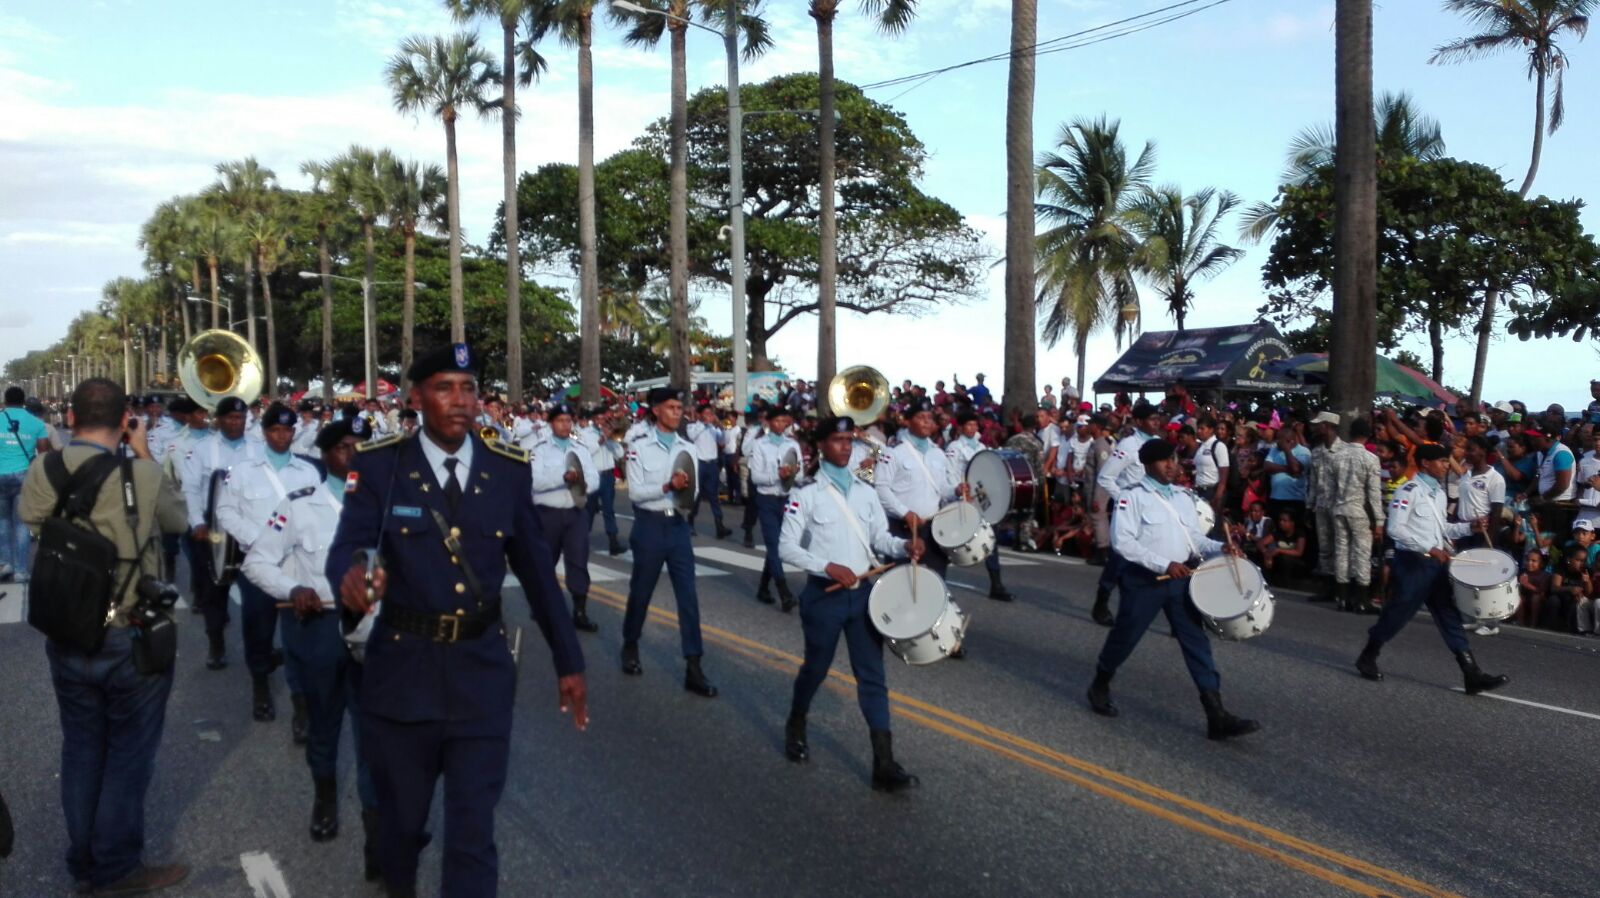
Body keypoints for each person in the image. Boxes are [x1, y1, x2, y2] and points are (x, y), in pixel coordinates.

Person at [328, 343, 587, 898]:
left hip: (480, 675)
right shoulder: (379, 465)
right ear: (416, 397)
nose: (460, 400)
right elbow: (350, 545)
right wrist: (353, 577)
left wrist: (569, 661)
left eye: (468, 388)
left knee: (472, 835)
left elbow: (540, 577)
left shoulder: (506, 470)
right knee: (401, 828)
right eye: (445, 388)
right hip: (402, 674)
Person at [19, 378, 190, 895]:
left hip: (68, 628)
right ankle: (117, 867)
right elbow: (178, 520)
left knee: (81, 746)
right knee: (128, 753)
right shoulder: (141, 472)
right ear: (123, 421)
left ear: (69, 418)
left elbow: (31, 520)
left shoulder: (43, 468)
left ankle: (84, 860)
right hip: (127, 630)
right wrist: (142, 453)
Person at [241, 418, 383, 875]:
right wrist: (290, 589)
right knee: (324, 725)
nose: (354, 455)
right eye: (344, 447)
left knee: (376, 737)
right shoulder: (299, 504)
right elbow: (257, 561)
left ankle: (377, 836)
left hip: (377, 635)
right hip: (319, 628)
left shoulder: (391, 507)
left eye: (363, 447)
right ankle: (324, 797)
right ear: (325, 455)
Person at [779, 416, 925, 791]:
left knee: (872, 676)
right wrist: (826, 565)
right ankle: (797, 721)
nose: (847, 446)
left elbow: (880, 539)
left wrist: (904, 546)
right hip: (823, 597)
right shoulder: (805, 492)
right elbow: (786, 547)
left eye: (850, 440)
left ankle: (884, 763)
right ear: (822, 446)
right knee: (816, 668)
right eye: (838, 440)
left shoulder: (865, 491)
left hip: (862, 596)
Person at [1085, 438, 1260, 741]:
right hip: (1145, 580)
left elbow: (1194, 539)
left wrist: (1222, 548)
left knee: (1196, 642)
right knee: (1125, 636)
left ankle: (1215, 714)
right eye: (1164, 460)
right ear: (1148, 465)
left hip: (1180, 580)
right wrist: (1163, 564)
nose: (1172, 465)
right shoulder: (1132, 497)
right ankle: (1100, 681)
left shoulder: (1183, 497)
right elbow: (1123, 542)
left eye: (1174, 459)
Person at [1355, 442, 1509, 694]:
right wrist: (1429, 547)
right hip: (1413, 563)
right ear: (1426, 463)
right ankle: (1368, 655)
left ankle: (1471, 673)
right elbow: (1396, 529)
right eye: (1442, 461)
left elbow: (1443, 530)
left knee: (1449, 615)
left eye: (1447, 461)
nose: (1447, 465)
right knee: (1398, 612)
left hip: (1435, 564)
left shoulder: (1438, 492)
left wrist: (1469, 527)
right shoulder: (1408, 491)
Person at [217, 402, 321, 730]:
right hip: (259, 564)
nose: (282, 436)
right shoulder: (245, 470)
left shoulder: (308, 472)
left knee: (299, 634)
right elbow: (226, 511)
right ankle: (260, 684)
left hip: (297, 566)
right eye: (275, 430)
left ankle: (301, 703)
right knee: (258, 629)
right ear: (264, 433)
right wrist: (257, 538)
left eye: (288, 430)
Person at [619, 387, 718, 696]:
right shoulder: (638, 446)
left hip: (677, 527)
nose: (678, 412)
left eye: (680, 407)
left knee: (688, 598)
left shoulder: (686, 447)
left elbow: (694, 492)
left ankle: (694, 665)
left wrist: (684, 491)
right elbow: (635, 492)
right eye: (672, 407)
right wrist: (667, 485)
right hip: (649, 525)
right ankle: (631, 644)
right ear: (656, 410)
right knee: (641, 592)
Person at [179, 396, 262, 670]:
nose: (236, 423)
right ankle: (216, 643)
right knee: (214, 591)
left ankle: (258, 650)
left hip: (249, 530)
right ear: (219, 420)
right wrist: (196, 523)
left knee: (256, 593)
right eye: (230, 418)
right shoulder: (203, 449)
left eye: (240, 418)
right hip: (213, 530)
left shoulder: (258, 447)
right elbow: (190, 488)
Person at [1091, 401, 1165, 625]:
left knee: (1157, 559)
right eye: (1152, 419)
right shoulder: (1129, 445)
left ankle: (1171, 614)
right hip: (1130, 511)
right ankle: (1102, 600)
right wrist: (1123, 498)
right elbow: (1106, 477)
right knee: (1120, 560)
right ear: (1139, 422)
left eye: (1157, 419)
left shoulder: (1158, 443)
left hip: (1153, 509)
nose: (1157, 423)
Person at [530, 403, 601, 633]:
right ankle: (541, 605)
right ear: (551, 423)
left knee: (578, 561)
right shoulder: (539, 449)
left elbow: (594, 478)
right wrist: (563, 477)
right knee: (544, 562)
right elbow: (534, 482)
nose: (565, 424)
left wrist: (580, 483)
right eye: (560, 420)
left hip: (575, 512)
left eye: (568, 420)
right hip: (547, 514)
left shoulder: (580, 449)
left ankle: (579, 611)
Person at [876, 397, 964, 580]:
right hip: (902, 528)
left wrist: (956, 491)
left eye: (930, 418)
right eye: (921, 417)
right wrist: (905, 513)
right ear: (907, 421)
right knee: (900, 582)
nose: (926, 421)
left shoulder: (938, 453)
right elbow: (881, 489)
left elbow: (941, 488)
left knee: (935, 580)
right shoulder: (893, 452)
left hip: (933, 528)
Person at [945, 411, 1013, 600]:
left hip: (981, 498)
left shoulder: (982, 447)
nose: (973, 428)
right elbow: (950, 472)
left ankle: (996, 584)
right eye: (969, 425)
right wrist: (957, 491)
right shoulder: (954, 447)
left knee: (990, 540)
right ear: (960, 427)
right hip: (963, 498)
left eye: (975, 425)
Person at [748, 406, 802, 610]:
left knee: (780, 545)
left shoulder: (793, 444)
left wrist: (794, 475)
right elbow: (756, 477)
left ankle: (763, 587)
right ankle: (783, 590)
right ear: (769, 423)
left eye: (784, 421)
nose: (781, 425)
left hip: (787, 499)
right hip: (767, 499)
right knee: (774, 546)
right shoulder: (760, 445)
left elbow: (802, 474)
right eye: (777, 421)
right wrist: (777, 476)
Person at [0, 385, 52, 583]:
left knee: (2, 521)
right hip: (24, 476)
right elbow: (44, 453)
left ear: (5, 400)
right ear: (23, 402)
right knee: (22, 524)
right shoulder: (36, 423)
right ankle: (21, 570)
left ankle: (6, 563)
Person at [580, 408, 624, 556]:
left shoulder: (610, 435)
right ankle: (582, 541)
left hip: (607, 476)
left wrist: (611, 440)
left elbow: (620, 455)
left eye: (604, 419)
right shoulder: (585, 434)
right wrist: (601, 441)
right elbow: (585, 453)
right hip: (592, 475)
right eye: (600, 419)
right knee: (589, 510)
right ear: (594, 419)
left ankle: (613, 542)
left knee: (609, 509)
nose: (602, 422)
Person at [686, 403, 732, 539]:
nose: (709, 416)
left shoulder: (713, 428)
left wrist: (721, 427)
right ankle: (690, 523)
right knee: (696, 495)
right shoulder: (693, 426)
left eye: (710, 413)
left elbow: (724, 441)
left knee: (714, 496)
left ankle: (719, 525)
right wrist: (703, 423)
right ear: (700, 415)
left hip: (712, 464)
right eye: (706, 413)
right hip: (699, 464)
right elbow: (692, 436)